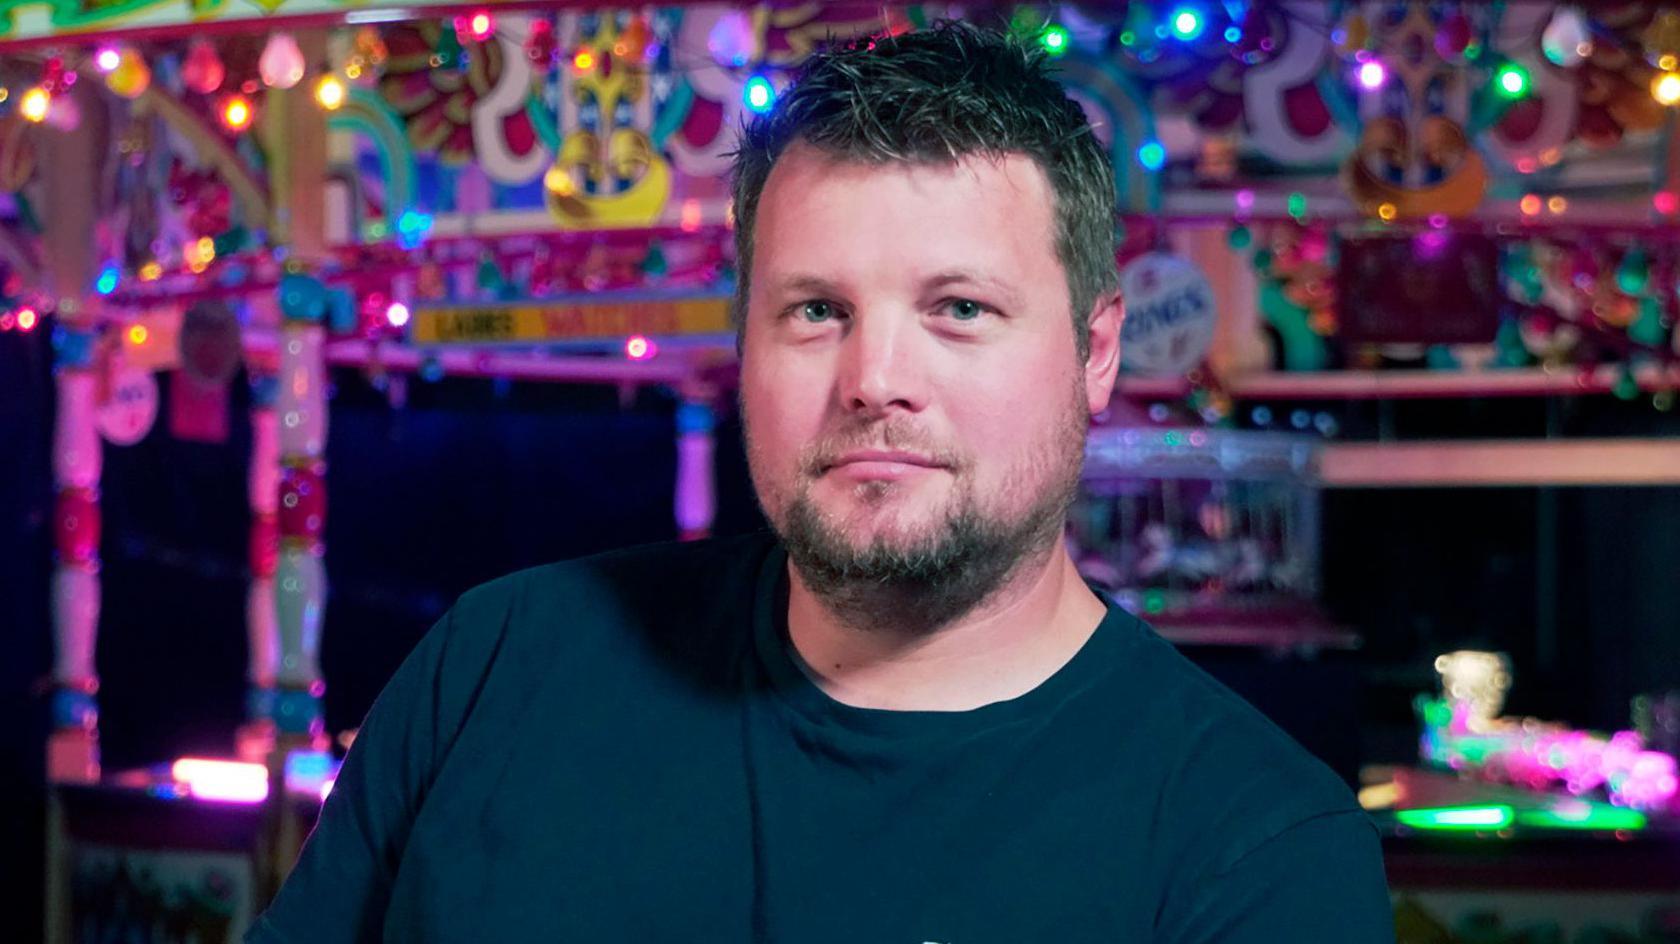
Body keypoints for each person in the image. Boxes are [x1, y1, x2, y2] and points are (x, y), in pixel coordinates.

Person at [248, 22, 1393, 943]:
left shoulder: (1253, 845)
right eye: (815, 310)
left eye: (959, 309)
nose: (874, 379)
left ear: (1097, 353)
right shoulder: (494, 668)